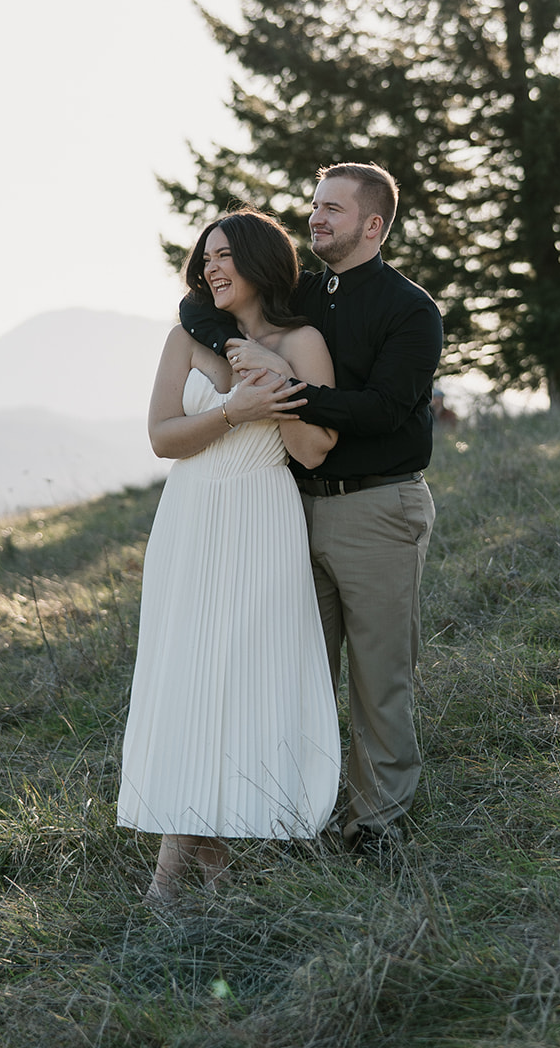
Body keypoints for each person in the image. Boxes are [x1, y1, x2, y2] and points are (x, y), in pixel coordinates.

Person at [181, 163, 443, 856]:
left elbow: (388, 410)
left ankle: (375, 828)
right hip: (291, 510)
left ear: (373, 225)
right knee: (295, 672)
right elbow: (202, 308)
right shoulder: (299, 294)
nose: (316, 218)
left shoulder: (408, 308)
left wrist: (287, 387)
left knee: (379, 680)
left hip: (378, 509)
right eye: (315, 206)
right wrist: (224, 345)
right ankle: (297, 819)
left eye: (332, 209)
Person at [117, 208, 341, 902]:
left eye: (224, 256)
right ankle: (211, 874)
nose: (210, 268)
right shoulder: (186, 337)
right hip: (190, 518)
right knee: (186, 679)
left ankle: (179, 880)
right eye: (204, 258)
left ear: (258, 262)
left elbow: (312, 450)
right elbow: (162, 438)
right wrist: (231, 412)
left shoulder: (303, 341)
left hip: (261, 516)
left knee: (240, 678)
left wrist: (277, 388)